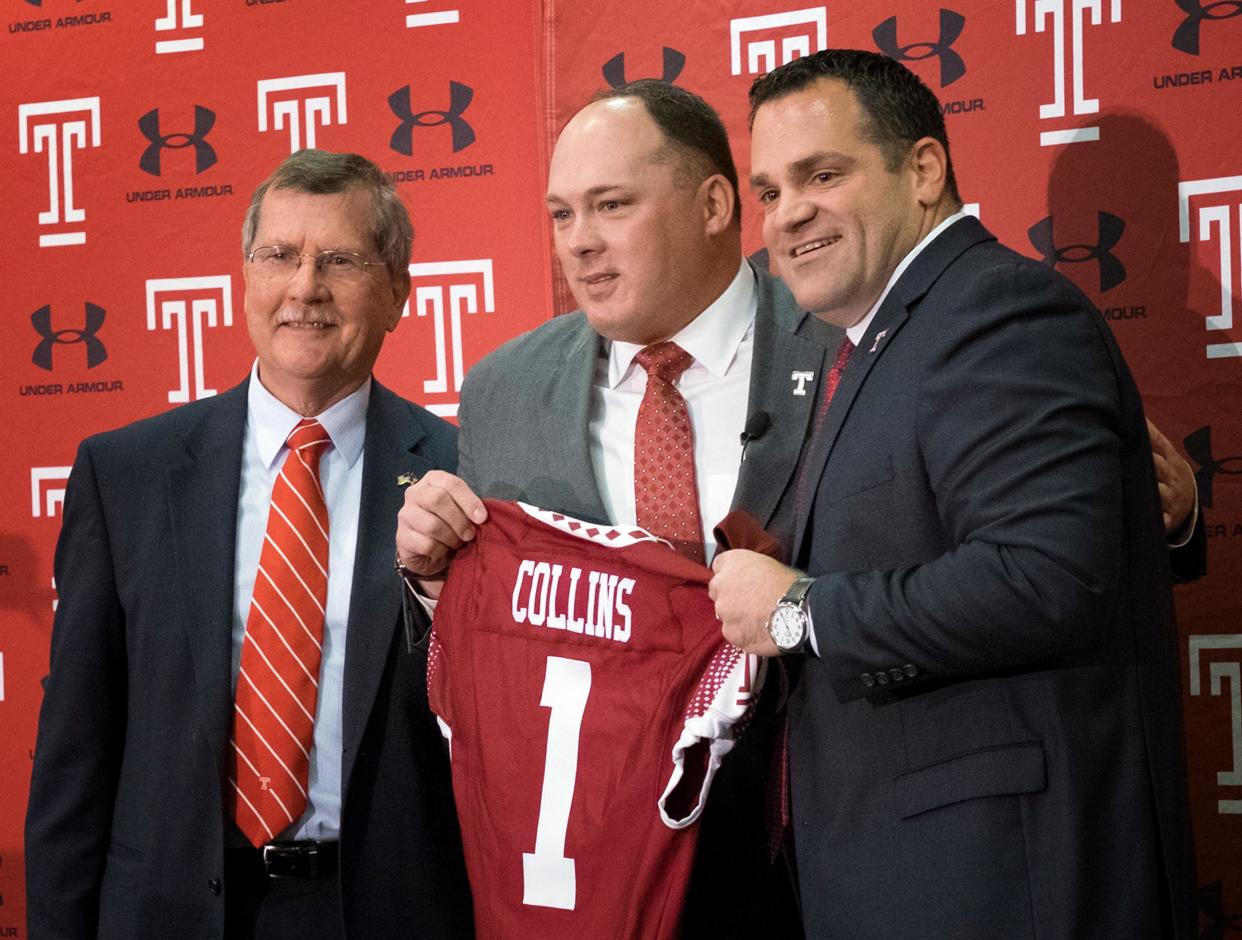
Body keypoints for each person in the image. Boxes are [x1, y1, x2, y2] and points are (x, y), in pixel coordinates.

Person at [710, 49, 1196, 938]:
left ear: (923, 169)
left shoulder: (996, 311)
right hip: (902, 869)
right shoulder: (871, 339)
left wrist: (799, 613)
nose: (788, 216)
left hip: (1001, 880)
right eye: (771, 191)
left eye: (823, 174)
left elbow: (1046, 580)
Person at [395, 80, 828, 935]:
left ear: (713, 203)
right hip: (604, 866)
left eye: (611, 205)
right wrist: (434, 583)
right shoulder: (505, 391)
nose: (581, 244)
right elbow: (494, 652)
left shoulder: (840, 343)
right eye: (562, 215)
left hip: (817, 837)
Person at [25, 150, 472, 940]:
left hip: (386, 910)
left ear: (400, 291)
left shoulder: (465, 477)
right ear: (245, 279)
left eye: (339, 260)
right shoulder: (125, 474)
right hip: (168, 909)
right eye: (279, 257)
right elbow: (76, 753)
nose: (305, 287)